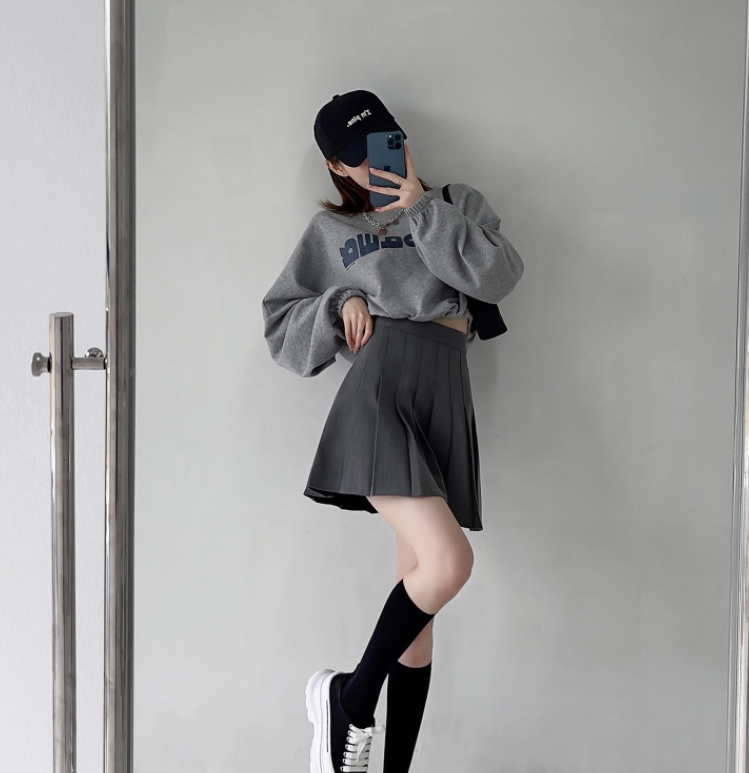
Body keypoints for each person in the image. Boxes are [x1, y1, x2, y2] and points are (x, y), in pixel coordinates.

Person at [261, 90, 524, 773]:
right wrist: (338, 301)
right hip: (382, 389)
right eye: (359, 154)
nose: (382, 157)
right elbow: (281, 327)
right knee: (448, 564)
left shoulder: (455, 203)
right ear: (336, 166)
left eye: (387, 138)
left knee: (419, 610)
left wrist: (421, 207)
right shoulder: (329, 233)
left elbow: (498, 276)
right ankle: (348, 698)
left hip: (445, 388)